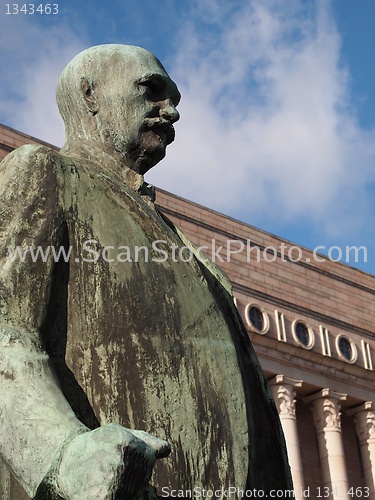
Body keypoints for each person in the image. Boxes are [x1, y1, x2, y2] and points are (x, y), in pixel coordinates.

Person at [0, 45, 292, 499]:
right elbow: (7, 335)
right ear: (90, 95)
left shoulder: (196, 260)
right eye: (152, 91)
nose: (171, 111)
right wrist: (62, 453)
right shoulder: (45, 172)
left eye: (173, 98)